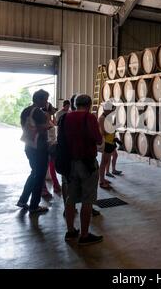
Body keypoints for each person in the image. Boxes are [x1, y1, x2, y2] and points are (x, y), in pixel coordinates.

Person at [62, 94, 103, 245]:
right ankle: (84, 235)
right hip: (86, 163)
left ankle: (71, 231)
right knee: (87, 199)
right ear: (89, 104)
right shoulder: (89, 118)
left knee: (70, 198)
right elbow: (98, 139)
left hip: (69, 163)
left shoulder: (66, 117)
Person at [17, 89, 51, 213]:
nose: (46, 102)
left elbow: (23, 125)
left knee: (34, 173)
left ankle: (23, 200)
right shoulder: (39, 113)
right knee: (39, 176)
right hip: (39, 148)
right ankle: (34, 205)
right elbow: (45, 127)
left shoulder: (25, 111)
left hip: (28, 146)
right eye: (45, 99)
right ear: (40, 99)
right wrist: (48, 120)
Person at [42, 102, 61, 198]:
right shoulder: (45, 119)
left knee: (51, 166)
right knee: (47, 167)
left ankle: (55, 184)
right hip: (49, 146)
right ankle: (47, 187)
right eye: (52, 109)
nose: (54, 110)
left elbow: (55, 123)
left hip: (52, 145)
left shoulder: (48, 119)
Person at [98, 100, 117, 189]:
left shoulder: (108, 117)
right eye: (110, 110)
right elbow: (103, 132)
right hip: (106, 142)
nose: (111, 111)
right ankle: (101, 181)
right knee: (103, 162)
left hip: (110, 141)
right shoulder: (102, 118)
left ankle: (103, 178)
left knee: (106, 161)